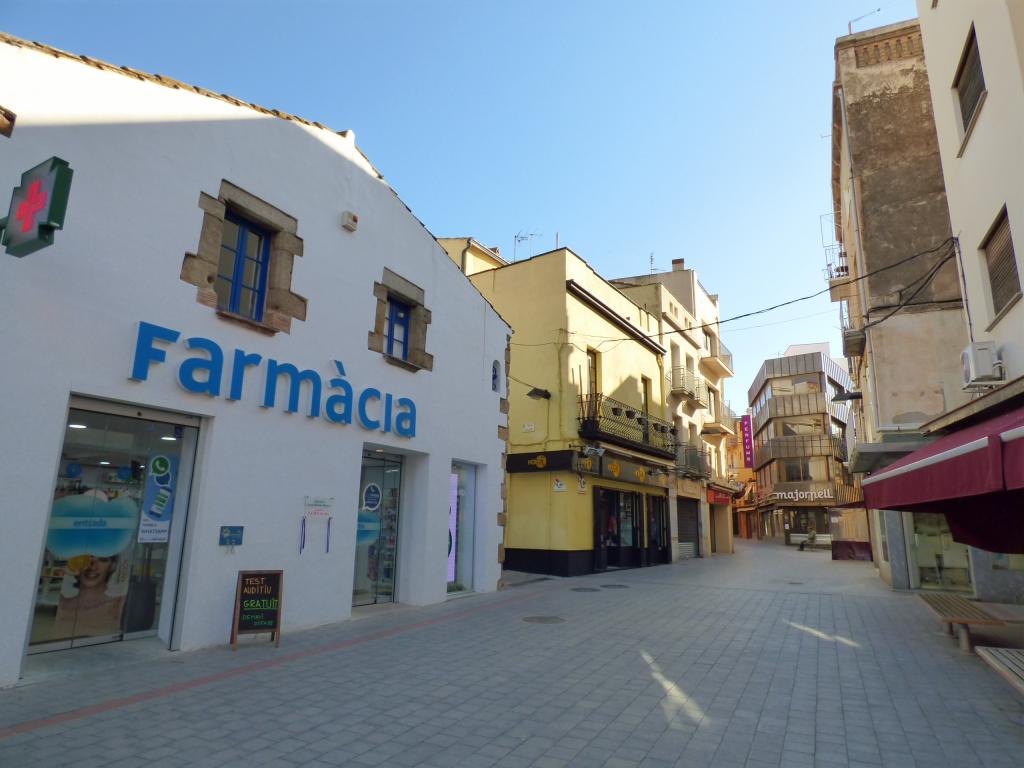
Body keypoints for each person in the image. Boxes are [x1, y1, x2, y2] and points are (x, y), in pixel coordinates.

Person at [53, 553, 127, 639]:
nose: (92, 567)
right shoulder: (61, 603)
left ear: (111, 567)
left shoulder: (119, 603)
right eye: (86, 559)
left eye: (102, 560)